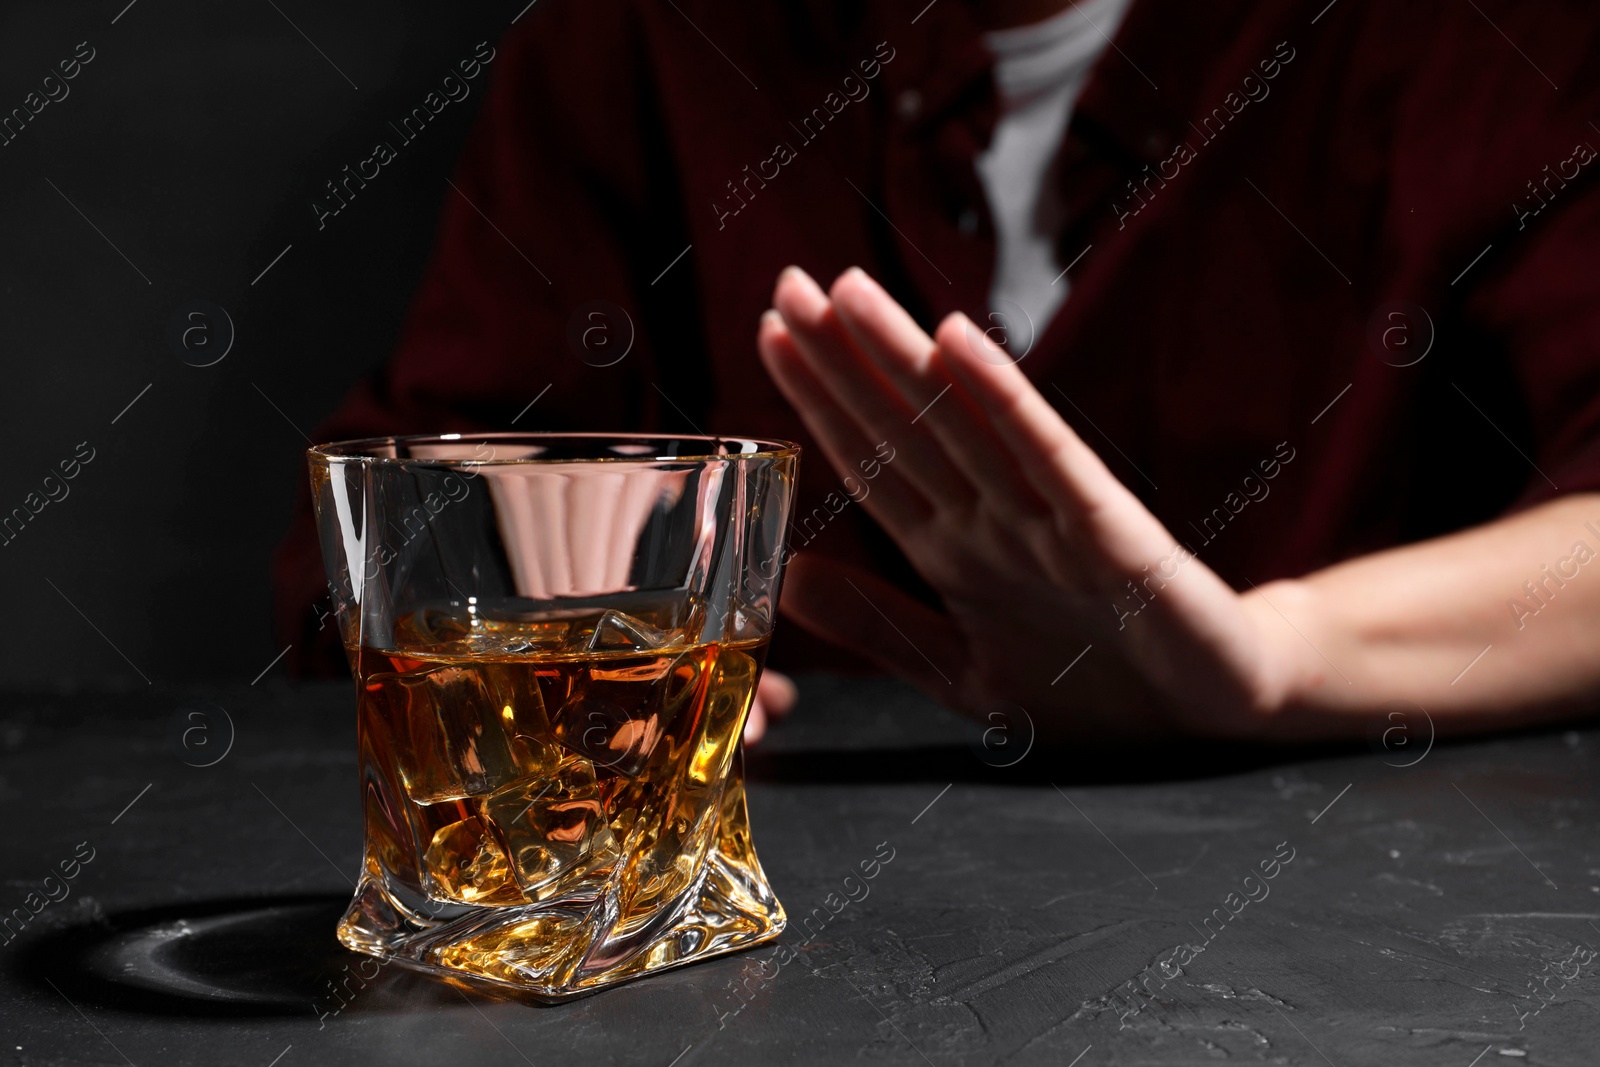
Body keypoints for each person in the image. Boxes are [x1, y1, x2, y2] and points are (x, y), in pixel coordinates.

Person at [275, 0, 1600, 745]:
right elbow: (415, 500)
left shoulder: (1475, 42)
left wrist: (1269, 659)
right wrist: (568, 654)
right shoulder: (636, 42)